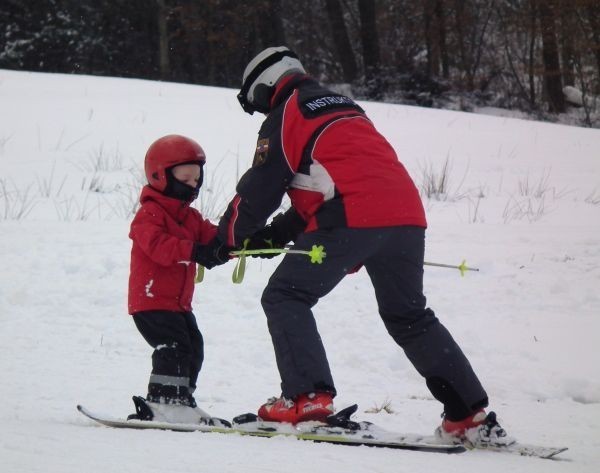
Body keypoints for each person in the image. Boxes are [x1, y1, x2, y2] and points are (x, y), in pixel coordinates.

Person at [209, 46, 511, 446]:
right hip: (406, 216)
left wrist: (225, 240)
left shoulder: (289, 111)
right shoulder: (343, 106)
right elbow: (324, 184)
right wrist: (271, 237)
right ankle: (468, 415)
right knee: (409, 316)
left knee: (285, 296)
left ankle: (306, 399)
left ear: (265, 86)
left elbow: (259, 189)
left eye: (257, 104)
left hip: (353, 214)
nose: (261, 113)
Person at [127, 134, 232, 424]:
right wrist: (195, 251)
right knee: (174, 347)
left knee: (193, 346)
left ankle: (181, 399)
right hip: (151, 301)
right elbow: (160, 246)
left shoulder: (191, 217)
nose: (193, 185)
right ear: (160, 176)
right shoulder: (149, 214)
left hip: (177, 304)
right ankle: (164, 401)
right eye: (185, 178)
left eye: (197, 179)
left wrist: (236, 244)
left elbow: (214, 237)